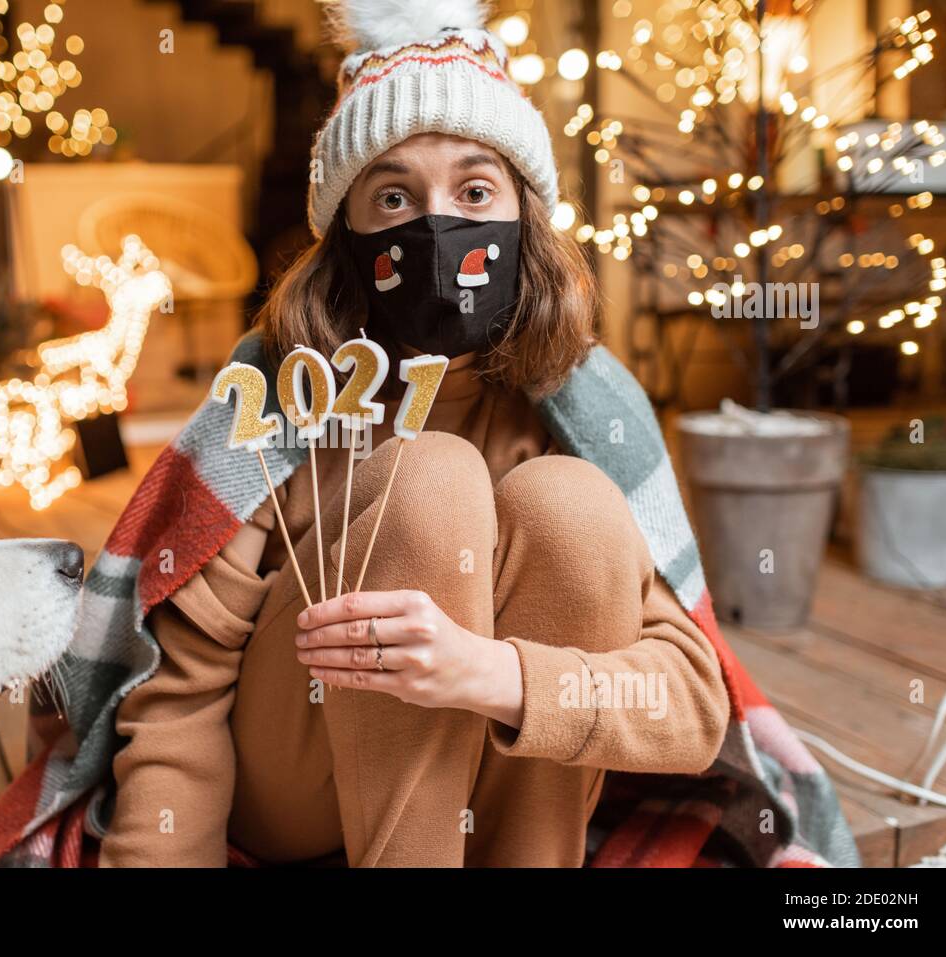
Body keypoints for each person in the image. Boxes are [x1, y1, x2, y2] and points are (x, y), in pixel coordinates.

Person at [96, 0, 730, 867]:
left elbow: (691, 709)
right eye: (393, 196)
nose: (436, 227)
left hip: (491, 785)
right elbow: (178, 690)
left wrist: (486, 672)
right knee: (429, 477)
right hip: (300, 782)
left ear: (525, 217)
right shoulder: (282, 396)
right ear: (345, 233)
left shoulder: (579, 406)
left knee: (572, 503)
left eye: (475, 191)